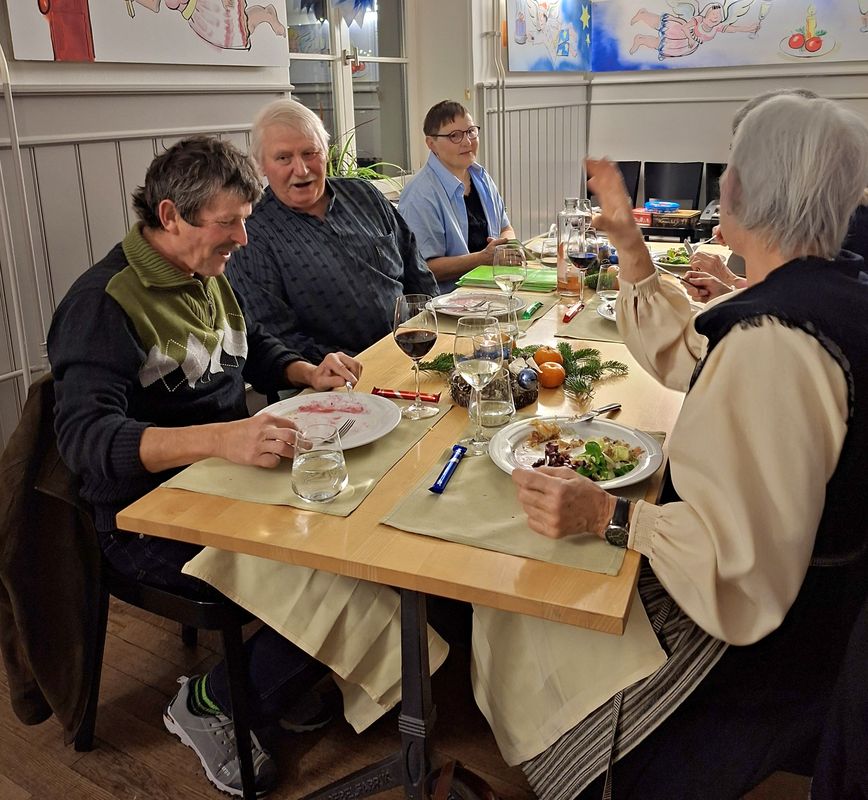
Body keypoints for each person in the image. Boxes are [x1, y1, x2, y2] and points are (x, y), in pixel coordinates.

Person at [511, 94, 868, 798]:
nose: (723, 178)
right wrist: (630, 244)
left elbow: (739, 570)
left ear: (748, 191)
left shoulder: (777, 343)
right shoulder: (828, 287)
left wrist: (610, 516)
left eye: (733, 165)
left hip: (767, 635)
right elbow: (694, 353)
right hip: (817, 601)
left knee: (535, 592)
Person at [47, 136, 363, 797]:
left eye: (245, 220)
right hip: (144, 519)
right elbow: (86, 440)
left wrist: (306, 370)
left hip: (226, 484)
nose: (243, 239)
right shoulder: (103, 303)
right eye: (229, 223)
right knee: (339, 572)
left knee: (360, 533)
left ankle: (271, 677)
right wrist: (222, 439)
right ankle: (212, 701)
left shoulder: (204, 270)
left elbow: (250, 347)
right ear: (170, 216)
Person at [227, 99, 437, 363]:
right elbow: (275, 337)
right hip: (335, 375)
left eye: (310, 153)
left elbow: (419, 275)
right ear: (260, 165)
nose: (301, 169)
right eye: (283, 158)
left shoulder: (365, 195)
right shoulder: (252, 233)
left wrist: (432, 329)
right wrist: (360, 364)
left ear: (326, 152)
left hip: (412, 350)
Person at [398, 100, 515, 292]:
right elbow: (424, 268)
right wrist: (483, 258)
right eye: (455, 136)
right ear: (431, 144)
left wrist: (505, 247)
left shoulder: (481, 177)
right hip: (446, 302)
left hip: (492, 290)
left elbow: (506, 228)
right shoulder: (420, 194)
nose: (467, 142)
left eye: (471, 132)